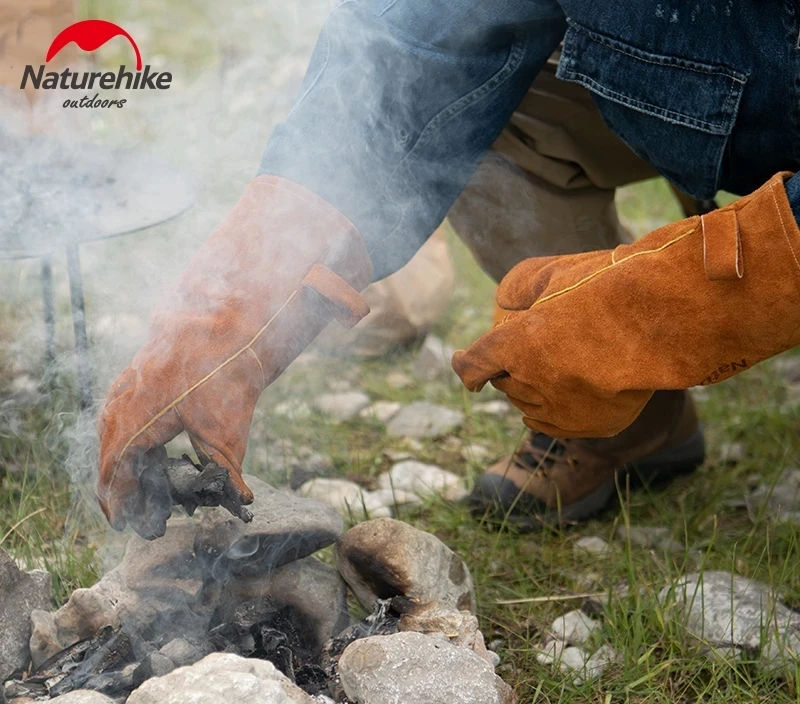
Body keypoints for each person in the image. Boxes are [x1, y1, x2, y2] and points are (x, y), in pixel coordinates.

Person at [96, 1, 800, 538]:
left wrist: (660, 314)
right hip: (674, 79)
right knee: (482, 103)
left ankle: (631, 361)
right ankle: (632, 426)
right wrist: (234, 302)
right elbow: (412, 48)